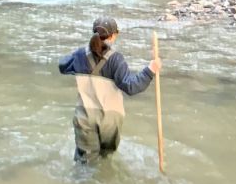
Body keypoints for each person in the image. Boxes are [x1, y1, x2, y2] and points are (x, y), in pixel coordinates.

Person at [58, 16, 162, 163]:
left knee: (85, 163)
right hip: (110, 120)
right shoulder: (116, 59)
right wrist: (150, 70)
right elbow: (131, 87)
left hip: (85, 118)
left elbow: (62, 66)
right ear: (114, 35)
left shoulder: (79, 55)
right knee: (106, 159)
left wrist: (78, 59)